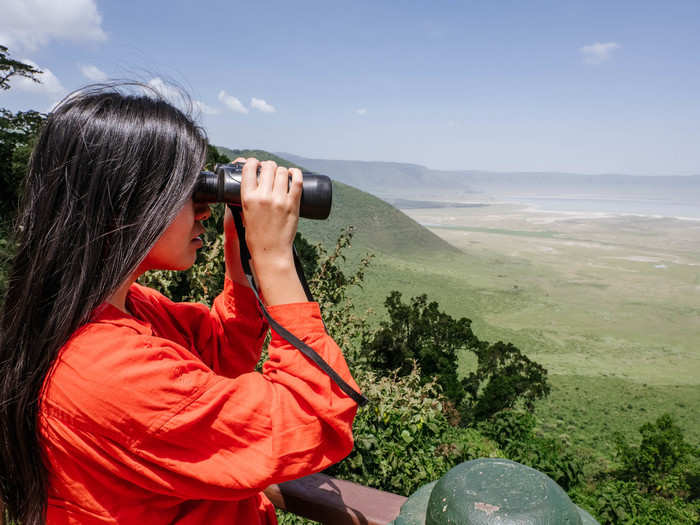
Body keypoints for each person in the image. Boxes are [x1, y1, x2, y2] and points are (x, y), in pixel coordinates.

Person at [0, 84, 360, 524]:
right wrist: (275, 260)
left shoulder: (112, 312)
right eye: (189, 191)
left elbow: (221, 351)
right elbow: (314, 419)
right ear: (124, 206)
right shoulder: (107, 369)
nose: (204, 210)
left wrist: (241, 256)